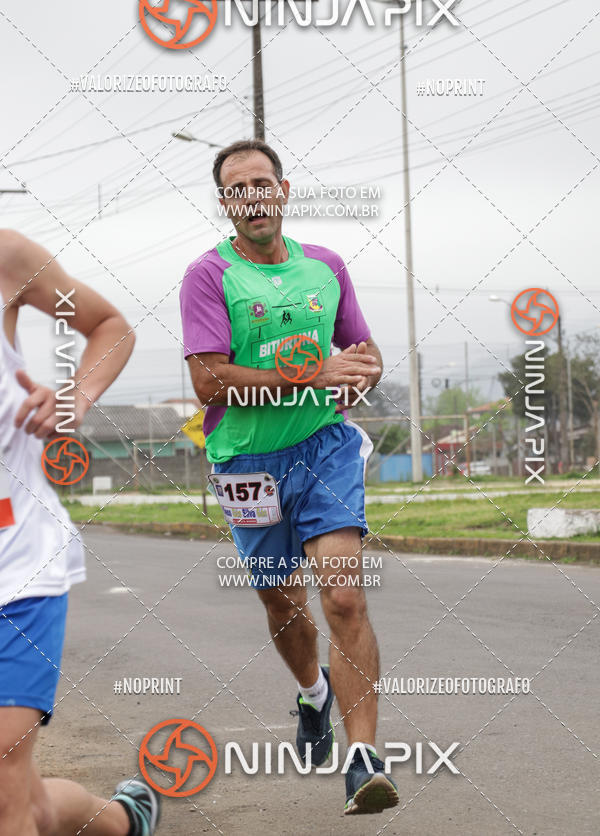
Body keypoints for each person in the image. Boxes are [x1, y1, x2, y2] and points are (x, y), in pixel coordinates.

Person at [180, 140, 399, 814]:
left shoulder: (326, 267)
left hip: (322, 447)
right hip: (246, 463)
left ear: (282, 190)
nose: (251, 197)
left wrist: (363, 374)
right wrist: (309, 372)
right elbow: (209, 380)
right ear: (226, 203)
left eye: (261, 183)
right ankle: (313, 694)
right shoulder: (208, 275)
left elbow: (362, 349)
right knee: (283, 604)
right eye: (237, 188)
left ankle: (363, 762)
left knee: (344, 600)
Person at [0, 229, 160, 835]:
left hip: (18, 571)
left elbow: (110, 326)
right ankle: (123, 819)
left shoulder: (7, 259)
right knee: (23, 803)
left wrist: (76, 394)